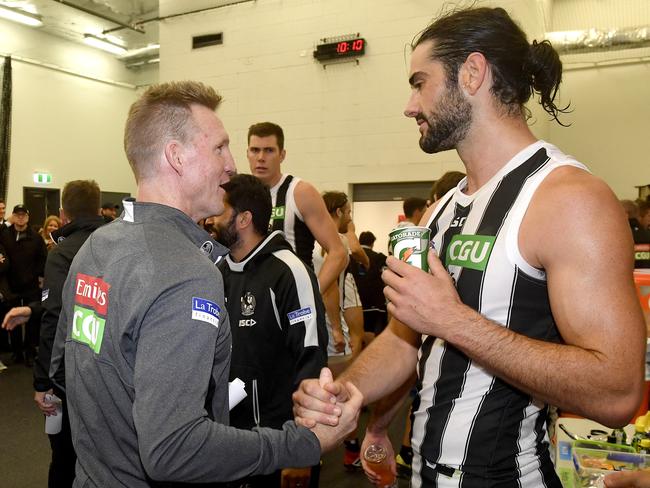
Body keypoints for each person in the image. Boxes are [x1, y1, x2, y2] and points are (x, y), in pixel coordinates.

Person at [293, 7, 646, 488]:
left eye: (420, 83)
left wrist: (454, 320)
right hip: (422, 474)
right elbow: (404, 337)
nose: (410, 105)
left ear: (473, 73)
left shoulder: (568, 199)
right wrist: (345, 393)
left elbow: (618, 391)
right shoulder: (444, 209)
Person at [48, 81, 361, 488]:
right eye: (219, 148)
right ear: (176, 157)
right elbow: (173, 449)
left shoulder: (96, 248)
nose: (232, 165)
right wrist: (300, 444)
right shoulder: (186, 272)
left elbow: (62, 370)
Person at [215, 173, 328, 488]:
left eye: (221, 212)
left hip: (277, 443)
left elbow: (312, 359)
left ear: (243, 219)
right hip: (226, 439)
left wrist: (301, 448)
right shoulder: (217, 272)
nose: (212, 218)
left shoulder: (289, 272)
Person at [2, 180, 105, 488]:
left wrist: (42, 382)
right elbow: (87, 300)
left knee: (63, 458)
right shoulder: (115, 244)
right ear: (99, 210)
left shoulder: (63, 253)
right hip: (112, 373)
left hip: (72, 374)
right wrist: (34, 308)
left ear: (62, 215)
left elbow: (57, 316)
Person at [247, 122, 347, 358]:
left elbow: (338, 253)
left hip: (295, 312)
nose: (261, 158)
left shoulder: (299, 192)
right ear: (247, 153)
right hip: (255, 311)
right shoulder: (241, 194)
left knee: (300, 388)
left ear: (282, 154)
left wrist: (308, 294)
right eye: (255, 150)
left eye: (269, 150)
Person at [0, 204, 47, 366]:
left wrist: (39, 276)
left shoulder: (36, 237)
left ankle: (29, 351)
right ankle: (17, 352)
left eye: (23, 215)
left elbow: (43, 258)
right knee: (13, 317)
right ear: (13, 216)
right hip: (11, 286)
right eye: (17, 215)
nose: (20, 217)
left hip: (31, 286)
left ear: (27, 217)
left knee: (32, 320)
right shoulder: (4, 235)